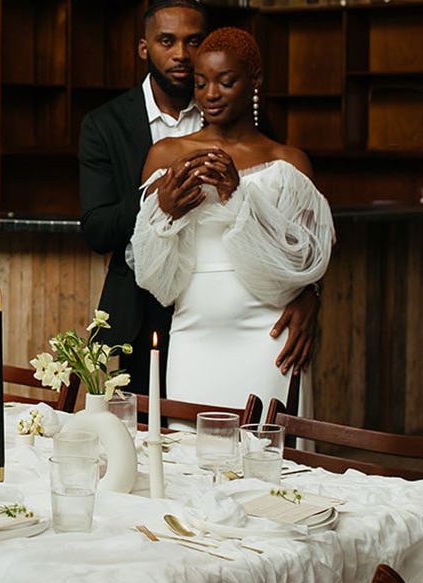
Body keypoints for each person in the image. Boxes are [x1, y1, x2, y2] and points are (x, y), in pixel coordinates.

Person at [77, 0, 319, 396]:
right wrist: (157, 202)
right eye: (167, 41)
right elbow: (98, 229)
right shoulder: (105, 124)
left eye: (194, 42)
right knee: (163, 444)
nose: (182, 55)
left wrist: (311, 293)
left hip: (258, 317)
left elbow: (291, 222)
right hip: (147, 312)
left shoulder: (246, 116)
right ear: (144, 47)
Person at [131, 27, 334, 415]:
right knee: (189, 458)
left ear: (254, 81)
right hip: (194, 330)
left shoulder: (289, 163)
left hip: (268, 331)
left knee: (263, 457)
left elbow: (308, 258)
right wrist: (165, 214)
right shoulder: (166, 154)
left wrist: (237, 197)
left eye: (226, 82)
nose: (210, 94)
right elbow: (148, 270)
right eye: (201, 82)